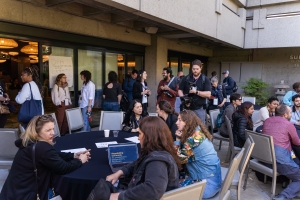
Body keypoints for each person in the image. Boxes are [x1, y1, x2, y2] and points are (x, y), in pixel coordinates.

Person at [0, 115, 90, 200]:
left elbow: (52, 155)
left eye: (53, 129)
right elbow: (63, 167)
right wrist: (80, 160)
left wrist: (73, 155)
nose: (53, 133)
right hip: (25, 195)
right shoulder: (42, 147)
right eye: (48, 130)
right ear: (37, 131)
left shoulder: (31, 141)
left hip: (12, 192)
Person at [105, 117, 180, 200]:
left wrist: (117, 196)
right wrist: (119, 172)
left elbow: (152, 190)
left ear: (149, 137)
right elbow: (138, 163)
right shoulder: (156, 152)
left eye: (140, 134)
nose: (138, 138)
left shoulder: (158, 162)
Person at [174, 110, 222, 198]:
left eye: (180, 120)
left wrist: (177, 140)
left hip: (206, 186)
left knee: (171, 190)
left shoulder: (192, 139)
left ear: (188, 122)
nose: (177, 122)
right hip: (215, 180)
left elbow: (178, 160)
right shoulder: (198, 132)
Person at [262, 105, 300, 200]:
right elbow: (297, 142)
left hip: (265, 158)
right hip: (278, 160)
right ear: (285, 115)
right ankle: (283, 196)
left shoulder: (268, 120)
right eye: (290, 112)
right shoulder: (288, 124)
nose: (291, 114)